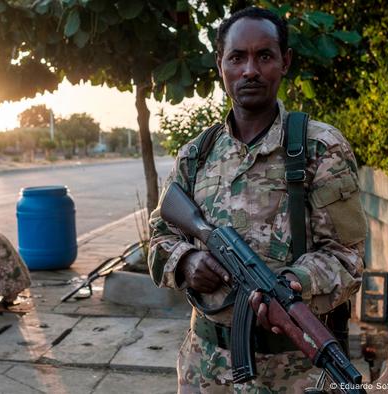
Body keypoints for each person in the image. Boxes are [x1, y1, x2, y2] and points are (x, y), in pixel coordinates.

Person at [148, 6, 367, 393]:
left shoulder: (320, 148)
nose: (250, 70)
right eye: (237, 58)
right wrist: (187, 260)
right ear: (221, 66)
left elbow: (348, 258)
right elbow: (159, 237)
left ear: (285, 62)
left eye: (264, 56)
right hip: (206, 368)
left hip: (296, 372)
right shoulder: (196, 155)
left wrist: (293, 284)